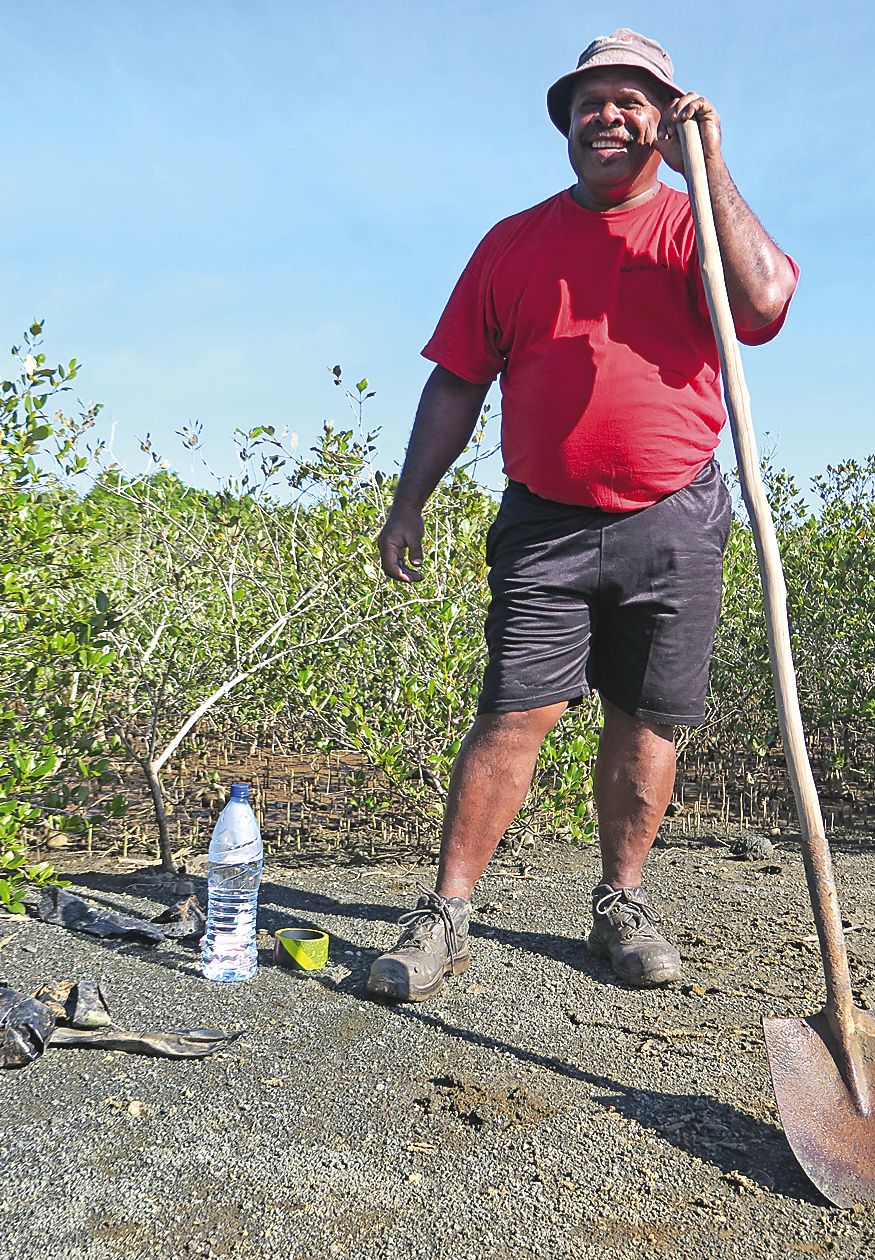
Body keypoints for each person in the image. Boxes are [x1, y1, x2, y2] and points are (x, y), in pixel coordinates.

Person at [366, 29, 797, 1002]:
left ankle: (622, 902)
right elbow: (455, 383)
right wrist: (408, 504)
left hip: (675, 518)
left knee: (646, 723)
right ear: (567, 122)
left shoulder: (694, 226)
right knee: (512, 715)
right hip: (546, 523)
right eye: (591, 100)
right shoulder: (512, 243)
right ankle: (447, 914)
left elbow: (765, 304)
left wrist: (710, 165)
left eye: (632, 100)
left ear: (665, 120)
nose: (609, 113)